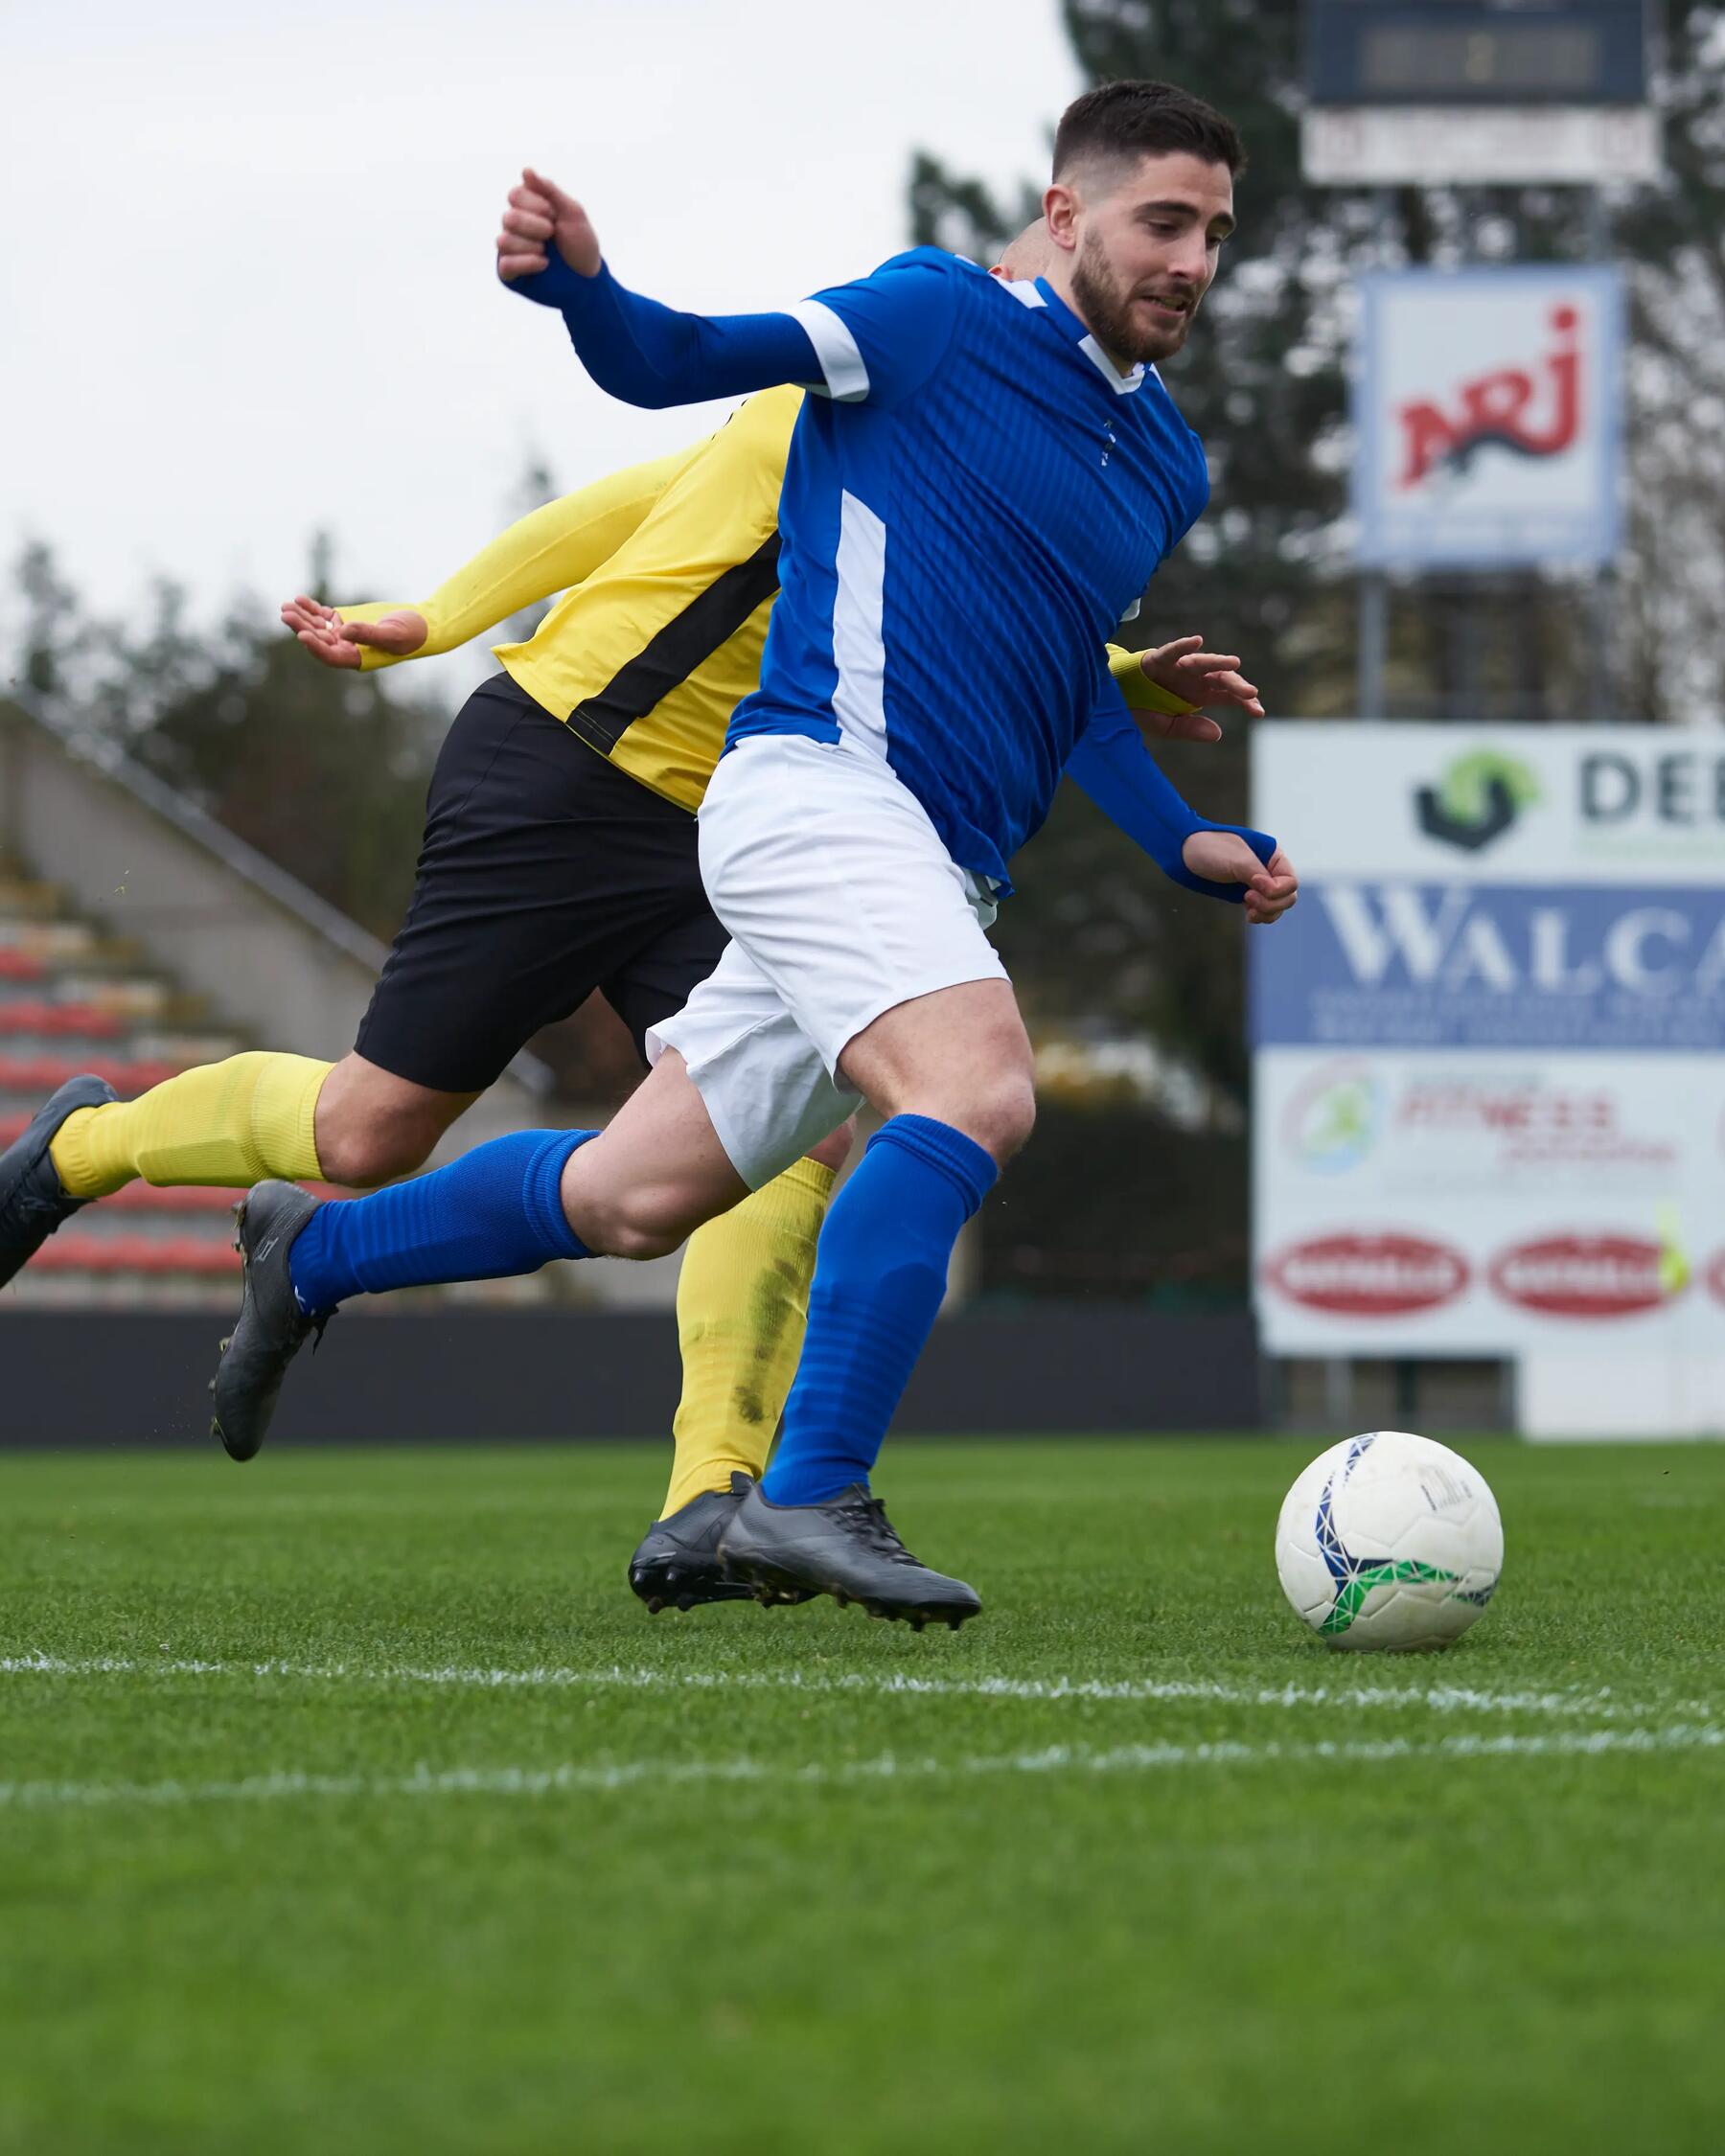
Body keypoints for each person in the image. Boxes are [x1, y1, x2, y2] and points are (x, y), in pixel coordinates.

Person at [0, 223, 1269, 1617]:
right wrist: (435, 617)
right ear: (1054, 233)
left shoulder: (1004, 434)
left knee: (726, 1158)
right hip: (571, 762)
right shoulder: (883, 373)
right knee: (368, 1131)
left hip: (746, 812)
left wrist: (1116, 687)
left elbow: (980, 596)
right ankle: (89, 1147)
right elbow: (627, 500)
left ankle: (715, 1494)